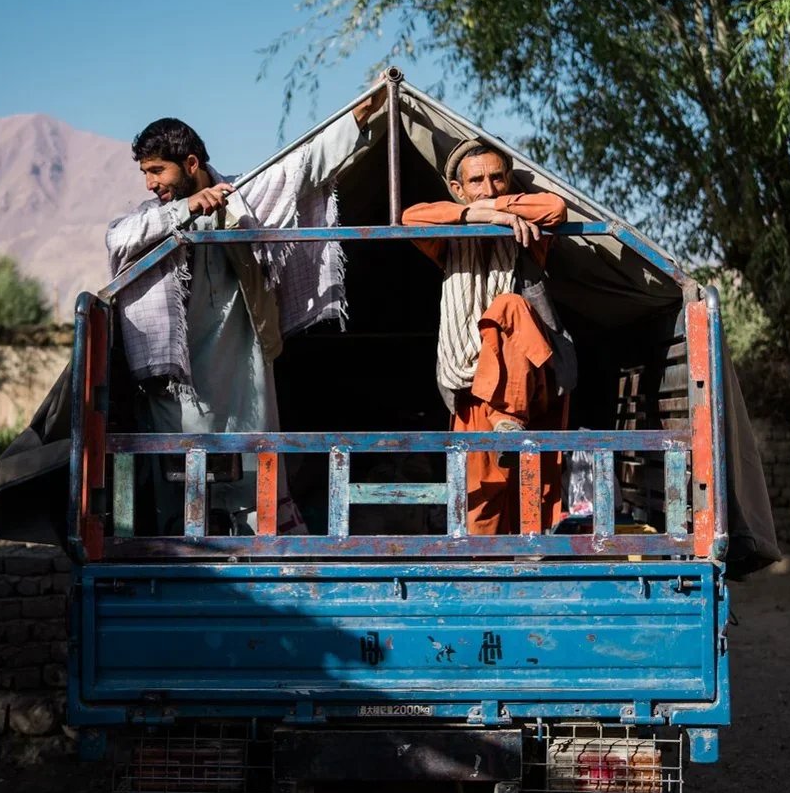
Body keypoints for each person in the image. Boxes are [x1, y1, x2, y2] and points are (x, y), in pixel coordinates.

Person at [107, 90, 385, 533]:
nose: (149, 183)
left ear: (192, 164)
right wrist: (184, 209)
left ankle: (263, 549)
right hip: (179, 380)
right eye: (145, 172)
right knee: (181, 477)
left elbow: (303, 164)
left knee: (255, 469)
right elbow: (117, 239)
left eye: (157, 170)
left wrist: (356, 116)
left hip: (242, 366)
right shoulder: (152, 217)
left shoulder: (244, 194)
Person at [402, 139, 569, 535]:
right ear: (458, 190)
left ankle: (509, 421)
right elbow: (410, 217)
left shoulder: (526, 231)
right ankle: (483, 582)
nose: (489, 187)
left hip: (530, 382)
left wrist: (494, 211)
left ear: (509, 181)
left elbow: (555, 207)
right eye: (477, 181)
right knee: (480, 499)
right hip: (473, 386)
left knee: (507, 305)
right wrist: (472, 215)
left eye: (497, 178)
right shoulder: (448, 241)